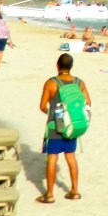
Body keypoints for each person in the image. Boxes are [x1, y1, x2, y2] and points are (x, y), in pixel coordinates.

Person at [38, 52, 91, 203]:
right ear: (71, 66)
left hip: (55, 126)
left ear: (57, 65)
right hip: (71, 125)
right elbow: (88, 102)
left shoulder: (51, 83)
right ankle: (74, 191)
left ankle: (49, 195)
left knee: (52, 158)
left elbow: (42, 106)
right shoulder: (79, 82)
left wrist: (53, 113)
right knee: (71, 157)